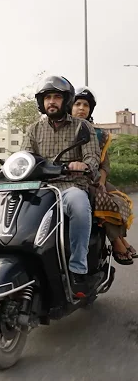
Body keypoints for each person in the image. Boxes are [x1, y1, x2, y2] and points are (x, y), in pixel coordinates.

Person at [0, 76, 101, 297]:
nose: (52, 102)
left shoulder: (82, 127)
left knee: (79, 204)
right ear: (41, 102)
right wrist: (1, 170)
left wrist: (84, 165)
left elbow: (93, 159)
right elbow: (23, 158)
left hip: (69, 186)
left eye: (57, 97)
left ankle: (78, 269)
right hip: (38, 187)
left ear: (66, 100)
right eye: (47, 97)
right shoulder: (33, 130)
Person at [71, 86, 136, 265]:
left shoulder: (98, 133)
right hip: (68, 179)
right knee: (97, 196)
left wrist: (101, 180)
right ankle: (119, 241)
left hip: (93, 178)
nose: (81, 108)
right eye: (77, 104)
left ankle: (116, 240)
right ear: (70, 106)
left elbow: (104, 164)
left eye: (86, 105)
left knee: (112, 198)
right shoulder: (63, 130)